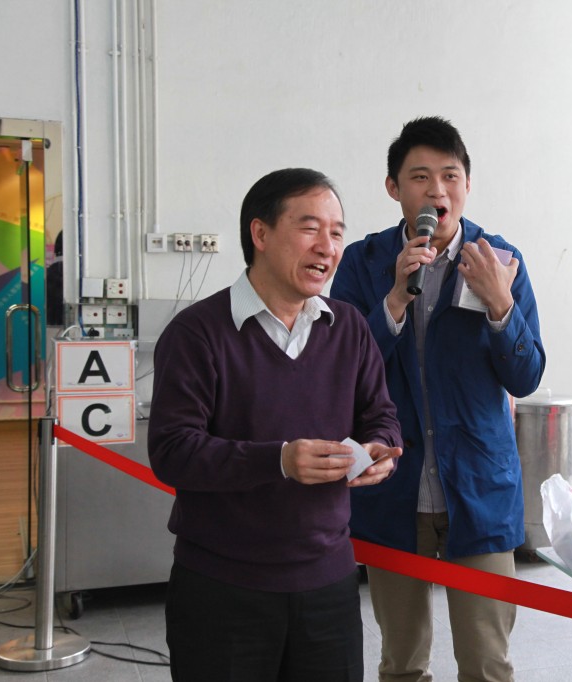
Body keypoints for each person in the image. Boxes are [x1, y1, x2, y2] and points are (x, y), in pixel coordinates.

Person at [148, 168, 403, 682]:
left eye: (336, 232)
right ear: (260, 234)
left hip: (329, 583)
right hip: (222, 588)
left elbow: (381, 414)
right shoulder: (197, 333)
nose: (327, 247)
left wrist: (381, 448)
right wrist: (279, 460)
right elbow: (173, 450)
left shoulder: (348, 327)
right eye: (309, 228)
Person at [330, 115, 546, 682]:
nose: (437, 191)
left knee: (487, 663)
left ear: (467, 184)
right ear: (394, 188)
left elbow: (526, 377)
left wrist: (500, 305)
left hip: (479, 485)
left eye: (450, 176)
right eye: (420, 177)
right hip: (394, 487)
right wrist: (394, 301)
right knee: (401, 663)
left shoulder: (501, 260)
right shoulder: (363, 263)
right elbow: (340, 372)